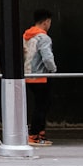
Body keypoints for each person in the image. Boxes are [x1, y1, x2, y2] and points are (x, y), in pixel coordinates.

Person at [23, 9, 57, 146]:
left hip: (28, 74)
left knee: (39, 104)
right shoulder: (44, 38)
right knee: (42, 105)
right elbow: (47, 58)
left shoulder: (27, 36)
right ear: (46, 21)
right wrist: (53, 70)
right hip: (41, 76)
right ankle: (35, 135)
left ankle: (39, 133)